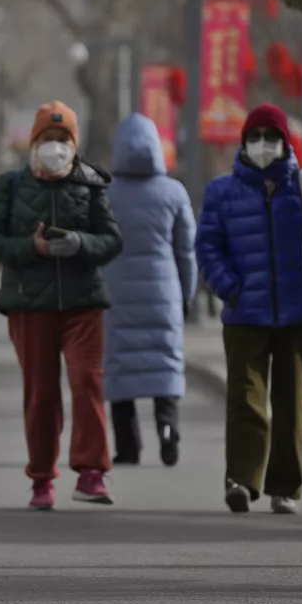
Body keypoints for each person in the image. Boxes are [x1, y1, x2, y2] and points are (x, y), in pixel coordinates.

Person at [195, 103, 302, 515]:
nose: (263, 145)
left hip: (299, 315)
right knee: (245, 399)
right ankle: (241, 480)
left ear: (285, 142)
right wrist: (229, 286)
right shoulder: (221, 192)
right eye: (255, 137)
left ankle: (285, 487)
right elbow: (207, 246)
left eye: (271, 137)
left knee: (291, 403)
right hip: (245, 314)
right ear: (244, 143)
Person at [0, 101, 122, 511]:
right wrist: (32, 247)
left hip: (83, 302)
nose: (56, 147)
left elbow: (111, 240)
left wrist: (80, 243)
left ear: (75, 146)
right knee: (40, 393)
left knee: (86, 381)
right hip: (29, 304)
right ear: (34, 143)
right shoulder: (11, 184)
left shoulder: (92, 184)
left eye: (64, 140)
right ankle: (42, 478)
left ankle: (92, 473)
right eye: (48, 139)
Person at [102, 114, 197, 467]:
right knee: (165, 365)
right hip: (165, 292)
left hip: (117, 293)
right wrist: (186, 296)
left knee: (119, 367)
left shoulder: (107, 193)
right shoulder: (174, 192)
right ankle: (168, 431)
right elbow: (186, 251)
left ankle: (128, 446)